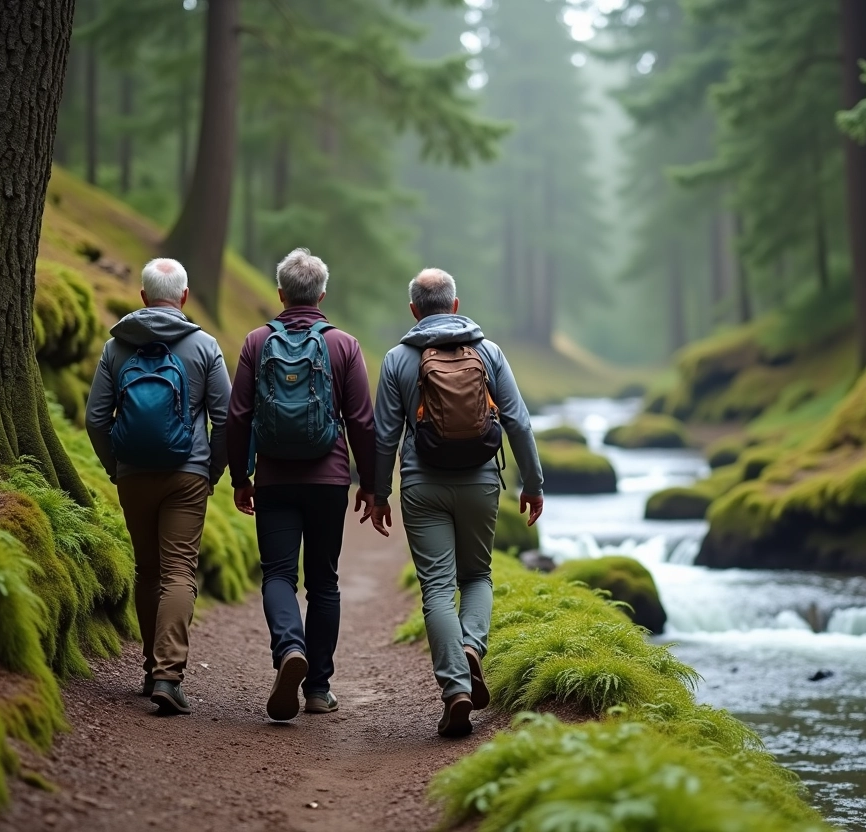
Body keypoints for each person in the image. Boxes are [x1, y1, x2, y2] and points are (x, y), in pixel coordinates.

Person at [370, 268, 543, 737]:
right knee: (478, 575)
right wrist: (533, 483)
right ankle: (472, 647)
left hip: (422, 485)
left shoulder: (397, 359)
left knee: (437, 588)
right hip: (481, 482)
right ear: (455, 304)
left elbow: (385, 434)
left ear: (413, 310)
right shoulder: (488, 352)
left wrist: (377, 491)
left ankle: (455, 690)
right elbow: (519, 423)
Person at [227, 248, 377, 721]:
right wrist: (372, 485)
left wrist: (239, 477)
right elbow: (361, 422)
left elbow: (237, 416)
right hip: (329, 479)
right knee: (324, 582)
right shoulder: (344, 345)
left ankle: (290, 648)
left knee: (278, 575)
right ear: (322, 294)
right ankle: (317, 689)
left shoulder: (255, 342)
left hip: (273, 479)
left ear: (280, 294)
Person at [86, 258, 231, 716]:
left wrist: (116, 466)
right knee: (179, 572)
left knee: (148, 571)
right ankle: (169, 676)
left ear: (145, 297)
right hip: (187, 473)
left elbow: (95, 418)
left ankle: (151, 669)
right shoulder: (204, 345)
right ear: (184, 296)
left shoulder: (117, 347)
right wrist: (213, 470)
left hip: (132, 473)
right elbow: (226, 418)